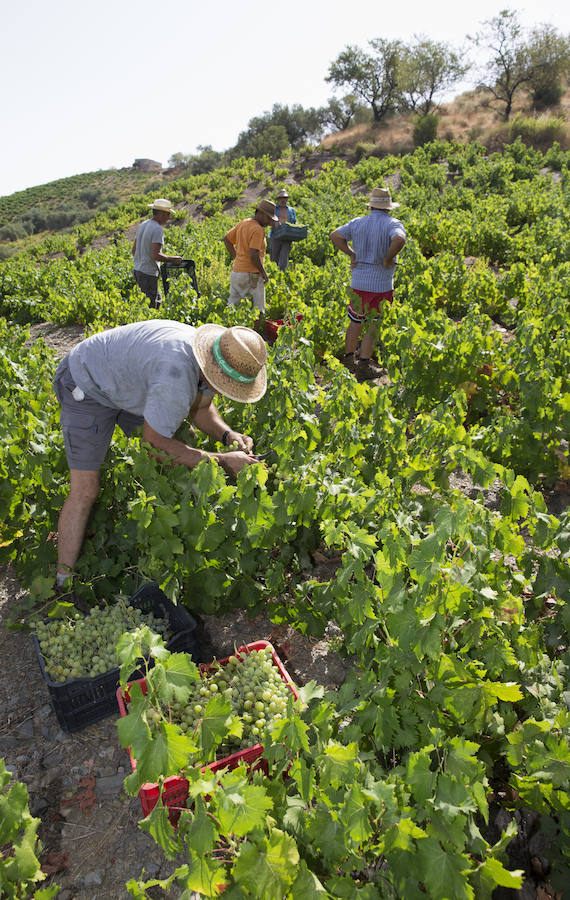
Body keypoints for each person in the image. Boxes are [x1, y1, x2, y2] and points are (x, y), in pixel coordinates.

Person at [52, 321, 267, 594]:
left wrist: (227, 436)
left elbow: (201, 411)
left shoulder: (211, 356)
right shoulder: (176, 376)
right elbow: (155, 447)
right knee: (85, 489)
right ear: (214, 370)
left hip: (124, 380)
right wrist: (223, 461)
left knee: (181, 439)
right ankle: (62, 584)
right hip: (86, 384)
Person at [330, 187, 406, 380]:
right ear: (388, 207)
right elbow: (399, 239)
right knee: (373, 324)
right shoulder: (392, 223)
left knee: (355, 321)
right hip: (381, 284)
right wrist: (388, 258)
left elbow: (335, 235)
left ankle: (348, 360)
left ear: (371, 205)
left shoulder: (358, 223)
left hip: (358, 282)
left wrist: (351, 253)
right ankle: (364, 365)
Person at [223, 199, 277, 313]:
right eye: (268, 218)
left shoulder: (243, 223)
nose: (269, 222)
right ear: (260, 214)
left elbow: (226, 240)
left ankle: (229, 330)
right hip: (252, 275)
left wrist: (237, 257)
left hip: (237, 272)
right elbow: (253, 254)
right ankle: (254, 331)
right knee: (258, 310)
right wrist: (263, 272)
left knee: (232, 308)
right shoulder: (258, 229)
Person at [132, 198, 183, 308]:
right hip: (148, 273)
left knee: (148, 303)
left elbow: (133, 251)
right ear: (160, 213)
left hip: (137, 270)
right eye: (167, 214)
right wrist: (173, 259)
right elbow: (155, 255)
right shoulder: (157, 229)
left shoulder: (143, 225)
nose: (169, 218)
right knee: (153, 306)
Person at [269, 189, 297, 271]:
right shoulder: (274, 209)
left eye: (284, 198)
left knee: (284, 259)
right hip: (276, 235)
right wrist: (274, 223)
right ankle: (273, 275)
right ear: (278, 200)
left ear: (287, 199)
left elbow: (294, 221)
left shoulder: (291, 210)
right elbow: (268, 220)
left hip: (287, 236)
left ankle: (281, 275)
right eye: (281, 198)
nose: (283, 200)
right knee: (274, 258)